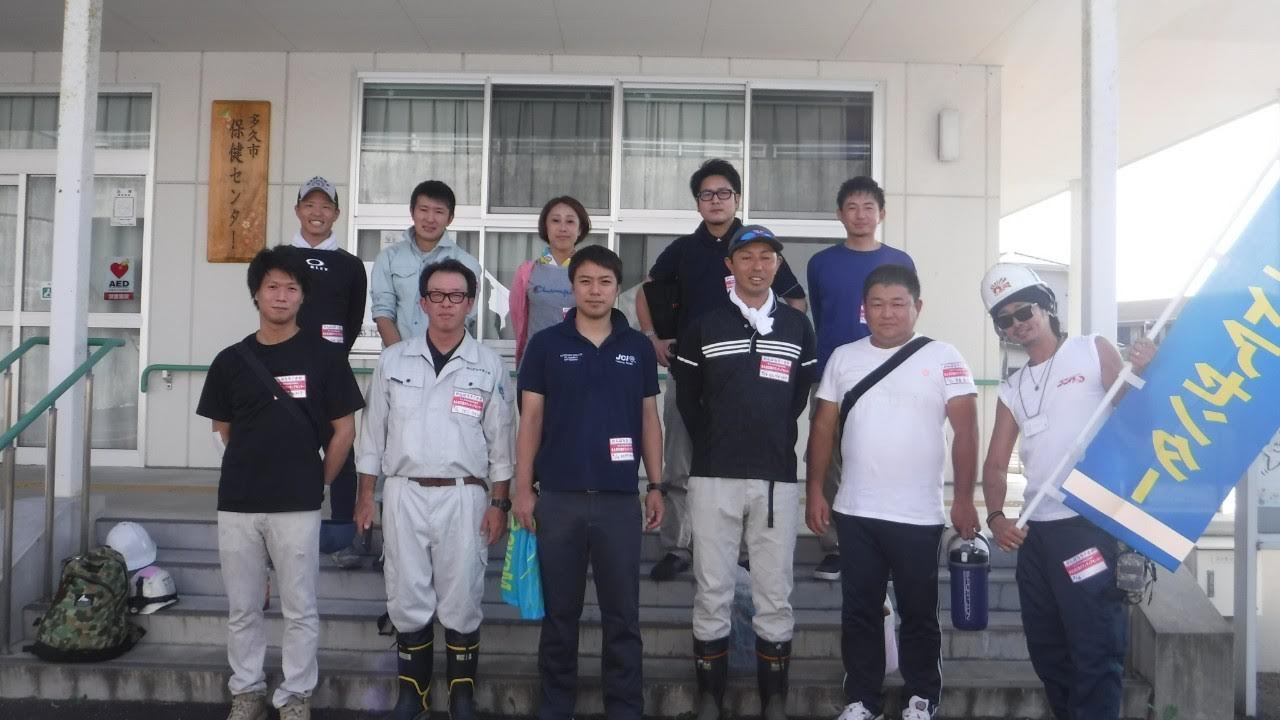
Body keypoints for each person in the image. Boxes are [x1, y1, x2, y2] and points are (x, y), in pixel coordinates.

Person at [979, 263, 1156, 720]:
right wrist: (996, 517)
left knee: (1095, 645)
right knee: (1047, 648)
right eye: (1006, 319)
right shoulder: (1013, 387)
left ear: (1047, 306)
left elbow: (1133, 410)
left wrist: (1144, 369)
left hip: (1089, 522)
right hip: (1037, 534)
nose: (1019, 323)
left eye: (1026, 310)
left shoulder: (1090, 349)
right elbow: (996, 463)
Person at [806, 264, 979, 720]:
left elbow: (967, 432)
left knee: (919, 612)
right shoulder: (843, 357)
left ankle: (922, 696)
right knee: (859, 611)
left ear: (917, 307)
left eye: (898, 303)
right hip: (855, 511)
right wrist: (814, 493)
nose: (887, 313)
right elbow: (821, 429)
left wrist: (964, 499)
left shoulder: (945, 356)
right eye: (877, 304)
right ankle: (863, 699)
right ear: (863, 310)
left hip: (919, 515)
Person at [197, 247, 363, 720]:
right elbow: (221, 430)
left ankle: (295, 695)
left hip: (298, 504)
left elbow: (344, 429)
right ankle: (246, 690)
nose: (282, 295)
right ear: (256, 294)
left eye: (292, 287)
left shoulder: (326, 357)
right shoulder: (230, 360)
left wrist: (318, 481)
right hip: (238, 504)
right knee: (244, 608)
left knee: (300, 608)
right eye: (272, 286)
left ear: (302, 297)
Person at [355, 258, 515, 720]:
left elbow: (501, 442)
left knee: (462, 597)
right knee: (407, 597)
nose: (447, 304)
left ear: (470, 303)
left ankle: (461, 697)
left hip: (465, 496)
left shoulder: (487, 364)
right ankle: (414, 696)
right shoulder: (393, 360)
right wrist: (367, 495)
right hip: (404, 493)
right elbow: (372, 436)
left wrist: (499, 502)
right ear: (423, 302)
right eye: (438, 295)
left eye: (457, 296)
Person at [635, 158, 807, 581]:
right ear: (698, 203)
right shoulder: (683, 249)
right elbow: (644, 292)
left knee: (745, 461)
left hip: (749, 377)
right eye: (707, 194)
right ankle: (677, 546)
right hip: (691, 370)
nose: (716, 201)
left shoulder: (757, 245)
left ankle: (746, 550)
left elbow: (795, 302)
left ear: (737, 198)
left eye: (724, 193)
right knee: (679, 460)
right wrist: (652, 337)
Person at [672, 225, 817, 720]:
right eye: (746, 257)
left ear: (778, 264)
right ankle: (708, 699)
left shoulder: (798, 328)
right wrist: (715, 442)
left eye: (767, 257)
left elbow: (797, 398)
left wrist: (768, 436)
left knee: (774, 592)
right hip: (714, 476)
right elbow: (688, 400)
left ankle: (773, 700)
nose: (757, 266)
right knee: (711, 588)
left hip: (776, 477)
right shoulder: (704, 325)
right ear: (729, 266)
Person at [514, 245, 665, 720]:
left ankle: (625, 708)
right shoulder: (546, 345)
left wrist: (656, 484)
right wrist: (522, 487)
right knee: (561, 617)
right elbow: (530, 419)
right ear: (572, 286)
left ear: (617, 288)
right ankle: (556, 707)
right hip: (558, 499)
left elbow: (649, 419)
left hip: (620, 500)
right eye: (585, 281)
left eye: (604, 282)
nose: (595, 290)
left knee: (623, 617)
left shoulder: (637, 347)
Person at [805, 176, 915, 581]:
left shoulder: (899, 261)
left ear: (881, 214)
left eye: (869, 207)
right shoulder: (822, 263)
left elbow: (905, 318)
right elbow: (821, 311)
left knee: (882, 454)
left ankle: (885, 540)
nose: (860, 214)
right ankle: (835, 545)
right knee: (829, 457)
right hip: (832, 374)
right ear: (839, 215)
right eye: (852, 207)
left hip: (888, 372)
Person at [284, 176, 367, 567]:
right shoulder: (280, 258)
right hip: (286, 371)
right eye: (309, 205)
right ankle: (285, 532)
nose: (317, 213)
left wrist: (329, 359)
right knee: (287, 448)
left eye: (326, 206)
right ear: (298, 210)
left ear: (336, 212)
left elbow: (352, 320)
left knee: (343, 450)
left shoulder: (350, 265)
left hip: (333, 371)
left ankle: (341, 536)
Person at [370, 180, 481, 347]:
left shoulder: (467, 263)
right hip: (397, 360)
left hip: (447, 360)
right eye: (423, 210)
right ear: (412, 212)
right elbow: (383, 312)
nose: (430, 219)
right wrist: (399, 356)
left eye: (438, 212)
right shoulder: (388, 257)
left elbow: (465, 316)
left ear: (450, 218)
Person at [509, 196, 590, 364]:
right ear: (545, 227)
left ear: (580, 229)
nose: (562, 228)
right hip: (535, 362)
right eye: (555, 221)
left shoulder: (589, 273)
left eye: (570, 222)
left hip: (578, 364)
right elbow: (518, 321)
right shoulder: (526, 271)